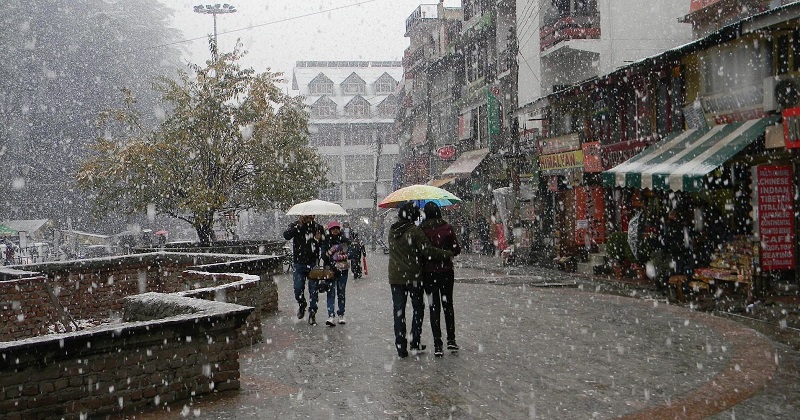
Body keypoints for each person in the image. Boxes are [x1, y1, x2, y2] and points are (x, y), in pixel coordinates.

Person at [388, 201, 454, 358]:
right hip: (414, 277)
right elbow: (428, 251)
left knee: (399, 311)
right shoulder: (414, 231)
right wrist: (447, 253)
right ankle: (415, 341)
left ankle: (400, 346)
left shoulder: (392, 231)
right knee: (418, 308)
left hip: (395, 277)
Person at [420, 202, 462, 357]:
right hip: (446, 272)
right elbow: (456, 249)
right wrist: (446, 252)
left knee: (434, 308)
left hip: (428, 273)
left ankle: (438, 344)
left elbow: (420, 251)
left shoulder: (422, 230)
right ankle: (451, 339)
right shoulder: (447, 228)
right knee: (448, 305)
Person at [283, 214, 325, 325]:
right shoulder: (296, 226)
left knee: (313, 289)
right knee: (298, 288)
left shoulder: (318, 227)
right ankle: (302, 304)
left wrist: (319, 240)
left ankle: (312, 312)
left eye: (311, 216)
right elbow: (286, 235)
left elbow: (324, 243)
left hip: (313, 263)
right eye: (307, 216)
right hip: (299, 263)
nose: (309, 217)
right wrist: (299, 226)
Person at [321, 220, 351, 327]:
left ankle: (341, 314)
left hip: (342, 270)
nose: (335, 230)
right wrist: (331, 252)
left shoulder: (344, 240)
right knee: (330, 292)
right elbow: (323, 256)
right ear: (330, 230)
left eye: (337, 228)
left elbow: (350, 253)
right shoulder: (326, 241)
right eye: (333, 229)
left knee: (341, 292)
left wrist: (340, 256)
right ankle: (331, 315)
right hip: (330, 270)